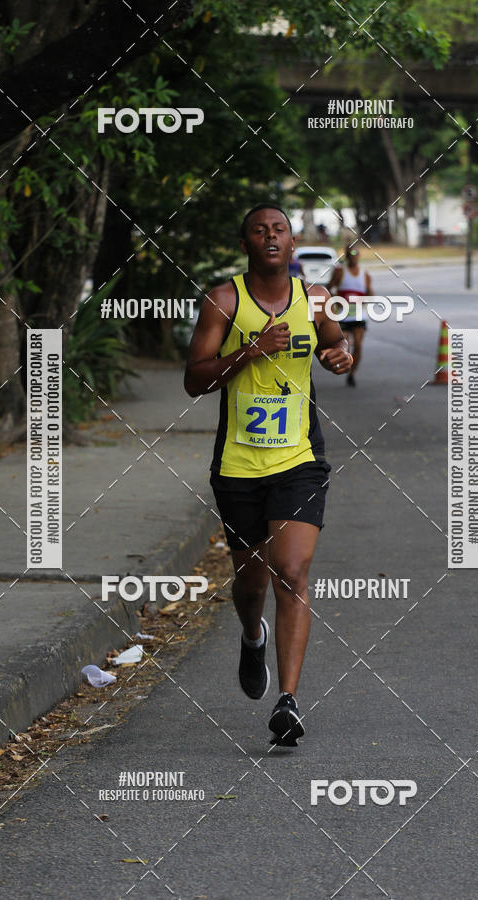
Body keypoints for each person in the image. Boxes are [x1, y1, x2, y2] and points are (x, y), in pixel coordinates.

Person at [184, 203, 352, 746]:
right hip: (238, 464)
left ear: (292, 243)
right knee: (251, 582)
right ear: (246, 245)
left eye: (279, 229)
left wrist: (340, 354)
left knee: (292, 572)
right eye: (259, 231)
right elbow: (194, 379)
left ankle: (288, 702)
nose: (270, 237)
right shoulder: (224, 301)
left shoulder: (314, 298)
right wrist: (251, 351)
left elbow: (335, 340)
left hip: (299, 460)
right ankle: (251, 635)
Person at [328, 244, 372, 387]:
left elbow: (370, 293)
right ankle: (345, 366)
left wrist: (364, 299)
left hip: (359, 316)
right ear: (346, 256)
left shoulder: (364, 274)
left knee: (358, 346)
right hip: (343, 316)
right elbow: (328, 288)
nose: (353, 256)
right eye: (350, 254)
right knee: (345, 347)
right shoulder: (340, 272)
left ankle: (352, 374)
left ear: (359, 255)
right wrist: (335, 299)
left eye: (355, 253)